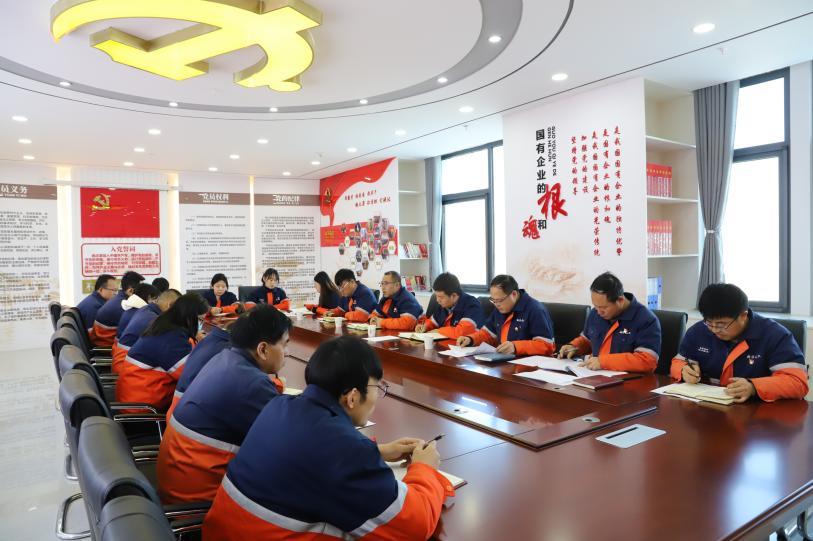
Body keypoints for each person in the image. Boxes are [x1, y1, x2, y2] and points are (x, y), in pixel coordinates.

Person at [203, 336, 452, 539]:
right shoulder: (343, 450)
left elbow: (310, 455)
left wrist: (378, 451)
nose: (378, 397)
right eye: (378, 387)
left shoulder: (280, 405)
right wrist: (425, 469)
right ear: (352, 397)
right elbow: (415, 526)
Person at [157, 306, 291, 504]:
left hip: (177, 481)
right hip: (198, 499)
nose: (287, 352)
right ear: (263, 349)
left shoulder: (224, 358)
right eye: (285, 344)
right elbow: (289, 440)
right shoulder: (249, 383)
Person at [670, 283, 808, 402]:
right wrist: (683, 370)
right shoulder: (699, 331)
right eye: (709, 322)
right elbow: (679, 362)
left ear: (743, 315)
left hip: (758, 414)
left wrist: (754, 386)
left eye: (722, 324)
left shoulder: (775, 335)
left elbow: (797, 382)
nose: (714, 330)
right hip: (710, 408)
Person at [116, 293, 208, 411]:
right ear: (189, 316)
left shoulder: (164, 325)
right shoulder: (171, 338)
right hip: (144, 407)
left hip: (135, 395)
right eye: (200, 319)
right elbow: (189, 376)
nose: (200, 324)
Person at [558, 272, 661, 373]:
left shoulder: (646, 320)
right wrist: (574, 347)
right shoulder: (595, 313)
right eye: (596, 306)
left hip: (628, 380)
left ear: (620, 301)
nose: (599, 312)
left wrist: (603, 362)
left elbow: (647, 361)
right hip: (594, 376)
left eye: (603, 307)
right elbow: (587, 340)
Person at [458, 274, 555, 356]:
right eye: (493, 300)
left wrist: (515, 347)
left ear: (514, 294)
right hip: (504, 360)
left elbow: (546, 346)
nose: (496, 304)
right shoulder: (500, 308)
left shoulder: (535, 310)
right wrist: (471, 339)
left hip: (527, 364)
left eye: (500, 300)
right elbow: (488, 334)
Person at [167, 317, 235, 420]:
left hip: (178, 411)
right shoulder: (227, 354)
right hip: (181, 413)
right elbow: (179, 372)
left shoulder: (207, 342)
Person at [113, 289, 181, 374]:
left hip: (124, 361)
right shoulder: (153, 320)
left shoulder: (146, 309)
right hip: (125, 367)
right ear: (169, 305)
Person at [415, 272, 485, 338]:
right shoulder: (444, 305)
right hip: (446, 344)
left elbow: (462, 332)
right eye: (436, 296)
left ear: (453, 296)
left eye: (441, 297)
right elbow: (433, 321)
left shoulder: (472, 305)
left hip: (466, 346)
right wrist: (425, 326)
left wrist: (439, 331)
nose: (437, 300)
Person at [111, 283, 159, 373]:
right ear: (149, 297)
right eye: (156, 299)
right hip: (124, 363)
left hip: (120, 356)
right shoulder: (144, 315)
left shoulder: (132, 309)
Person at [92, 270, 145, 347]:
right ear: (130, 290)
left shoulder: (119, 299)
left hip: (105, 342)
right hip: (107, 347)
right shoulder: (124, 306)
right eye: (140, 291)